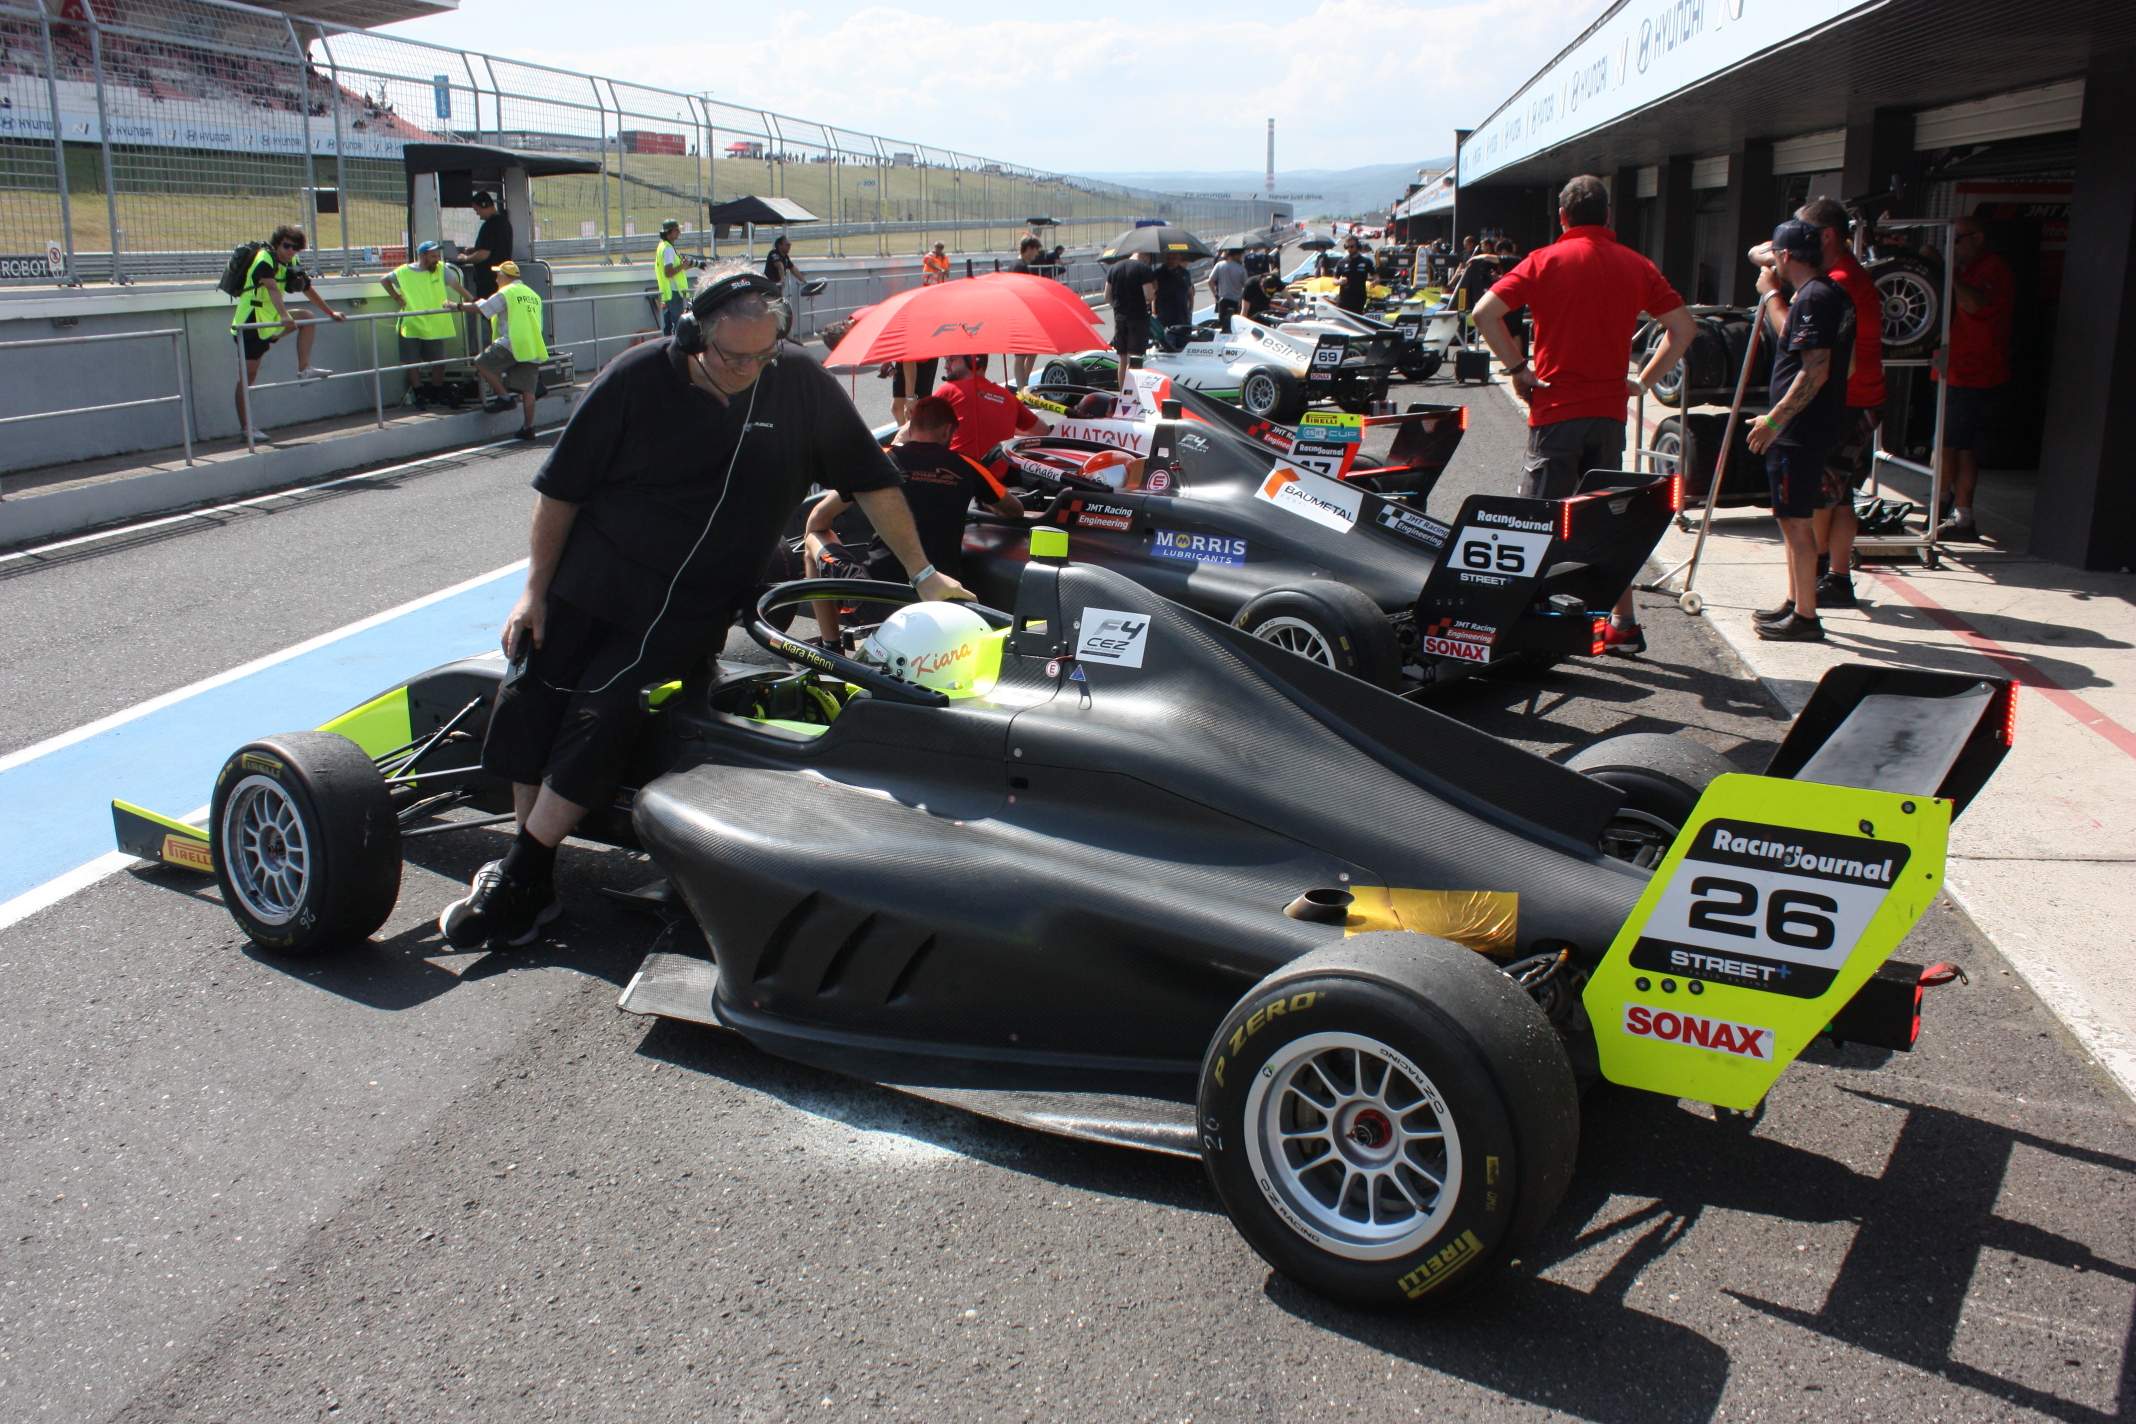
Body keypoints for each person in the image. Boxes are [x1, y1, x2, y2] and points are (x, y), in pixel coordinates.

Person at [440, 265, 968, 950]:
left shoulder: (796, 382)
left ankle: (522, 873)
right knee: (533, 700)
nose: (749, 369)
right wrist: (533, 590)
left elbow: (874, 481)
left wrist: (924, 573)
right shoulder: (634, 379)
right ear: (693, 333)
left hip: (694, 598)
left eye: (762, 355)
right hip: (591, 577)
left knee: (606, 710)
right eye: (733, 356)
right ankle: (530, 867)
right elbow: (561, 489)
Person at [1469, 174, 1696, 655]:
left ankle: (1524, 628)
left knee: (1539, 518)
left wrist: (1518, 369)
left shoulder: (1544, 261)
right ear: (1608, 215)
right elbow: (1683, 327)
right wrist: (1643, 381)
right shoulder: (1636, 264)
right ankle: (1623, 625)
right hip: (1609, 412)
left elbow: (1484, 313)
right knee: (1607, 518)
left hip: (1556, 409)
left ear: (1562, 217)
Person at [1749, 196, 1886, 609]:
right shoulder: (1840, 278)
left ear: (1825, 236)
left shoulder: (1828, 286)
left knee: (1813, 504)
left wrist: (1772, 296)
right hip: (1856, 397)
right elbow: (1757, 251)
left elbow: (1799, 344)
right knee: (1838, 497)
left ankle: (1812, 591)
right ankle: (1831, 580)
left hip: (1843, 402)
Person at [802, 395, 1023, 641]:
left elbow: (818, 518)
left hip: (874, 599)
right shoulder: (968, 466)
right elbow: (1014, 509)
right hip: (941, 600)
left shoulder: (881, 461)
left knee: (814, 536)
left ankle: (831, 644)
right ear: (947, 431)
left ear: (910, 425)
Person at [1745, 219, 1856, 643]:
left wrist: (1775, 420)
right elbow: (1758, 253)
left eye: (1777, 255)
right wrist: (1773, 277)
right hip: (1813, 425)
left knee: (1796, 522)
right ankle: (1796, 600)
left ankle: (1806, 617)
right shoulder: (1829, 291)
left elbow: (1816, 369)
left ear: (1787, 256)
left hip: (1799, 429)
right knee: (1790, 519)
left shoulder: (1813, 298)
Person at [1933, 216, 2013, 541]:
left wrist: (1949, 272)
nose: (1951, 247)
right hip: (1957, 370)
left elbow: (1974, 304)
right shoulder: (1969, 269)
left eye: (1956, 240)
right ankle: (1952, 510)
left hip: (1973, 374)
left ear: (1977, 238)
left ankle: (1955, 513)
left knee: (1955, 446)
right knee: (1953, 445)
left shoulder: (1993, 269)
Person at [231, 224, 345, 442]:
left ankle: (304, 369)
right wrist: (285, 316)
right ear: (277, 244)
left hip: (271, 320)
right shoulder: (264, 258)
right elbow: (272, 288)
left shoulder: (291, 261)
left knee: (306, 318)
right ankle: (246, 428)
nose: (291, 251)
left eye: (296, 248)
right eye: (287, 246)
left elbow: (307, 288)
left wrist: (331, 312)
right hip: (251, 323)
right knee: (247, 377)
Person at [461, 259, 545, 441]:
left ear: (505, 276)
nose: (496, 279)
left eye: (498, 275)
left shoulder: (507, 292)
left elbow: (484, 309)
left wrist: (458, 306)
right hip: (532, 345)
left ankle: (504, 398)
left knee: (481, 363)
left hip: (512, 342)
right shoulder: (533, 294)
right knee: (528, 391)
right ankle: (528, 428)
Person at [381, 240, 470, 408]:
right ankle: (419, 393)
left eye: (437, 255)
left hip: (435, 323)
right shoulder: (403, 271)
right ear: (422, 256)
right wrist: (396, 297)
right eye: (433, 256)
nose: (437, 259)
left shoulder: (441, 269)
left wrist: (473, 300)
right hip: (411, 323)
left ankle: (436, 392)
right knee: (412, 362)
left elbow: (457, 286)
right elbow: (384, 280)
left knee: (439, 361)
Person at [937, 352, 1048, 465]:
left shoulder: (949, 390)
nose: (946, 366)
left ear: (973, 360)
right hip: (997, 475)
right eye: (946, 360)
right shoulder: (1008, 397)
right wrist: (1003, 424)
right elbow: (1043, 430)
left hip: (956, 473)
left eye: (951, 360)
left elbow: (924, 432)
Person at [1105, 250, 1157, 378]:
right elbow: (1149, 296)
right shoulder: (1143, 269)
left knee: (1122, 360)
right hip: (1137, 319)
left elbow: (1107, 296)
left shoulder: (1114, 268)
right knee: (1134, 358)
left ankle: (1123, 389)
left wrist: (1118, 307)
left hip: (1119, 318)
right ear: (1146, 256)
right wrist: (1155, 289)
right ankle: (1132, 388)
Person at [1006, 235, 1045, 387]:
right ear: (1028, 249)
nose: (1037, 254)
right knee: (1021, 354)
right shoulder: (1019, 266)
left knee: (1032, 349)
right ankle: (1021, 387)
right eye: (1035, 250)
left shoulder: (1017, 265)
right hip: (1019, 313)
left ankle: (1025, 382)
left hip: (1019, 311)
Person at [461, 192, 512, 300]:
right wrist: (475, 249)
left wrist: (465, 259)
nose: (477, 214)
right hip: (502, 276)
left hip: (489, 280)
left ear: (484, 205)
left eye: (477, 210)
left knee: (488, 308)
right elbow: (496, 247)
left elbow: (483, 254)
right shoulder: (504, 222)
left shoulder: (490, 225)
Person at [654, 219, 691, 336]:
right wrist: (682, 266)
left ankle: (667, 345)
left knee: (668, 327)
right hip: (674, 292)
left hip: (667, 293)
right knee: (678, 325)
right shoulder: (668, 249)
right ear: (669, 232)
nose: (679, 232)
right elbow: (669, 272)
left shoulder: (662, 246)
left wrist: (682, 266)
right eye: (676, 230)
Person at [1151, 250, 1195, 350]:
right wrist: (1154, 313)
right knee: (1167, 348)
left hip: (1183, 317)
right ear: (1166, 257)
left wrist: (1190, 310)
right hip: (1165, 318)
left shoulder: (1185, 273)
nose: (1172, 258)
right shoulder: (1158, 273)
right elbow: (1153, 294)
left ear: (1179, 257)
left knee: (1183, 347)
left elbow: (1190, 293)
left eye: (1175, 256)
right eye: (1170, 256)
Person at [1331, 235, 1375, 313]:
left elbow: (1376, 276)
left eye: (1352, 246)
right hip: (1344, 299)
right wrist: (1339, 281)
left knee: (1356, 317)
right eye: (1347, 247)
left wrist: (1375, 281)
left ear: (1358, 246)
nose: (1349, 249)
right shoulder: (1342, 262)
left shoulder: (1366, 262)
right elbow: (1334, 280)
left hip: (1359, 298)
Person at [764, 234, 804, 316]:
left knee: (778, 305)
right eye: (787, 245)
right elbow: (780, 266)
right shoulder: (773, 253)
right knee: (772, 306)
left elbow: (793, 268)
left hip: (778, 287)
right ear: (780, 245)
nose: (789, 247)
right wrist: (782, 280)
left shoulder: (785, 257)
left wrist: (803, 280)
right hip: (770, 286)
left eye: (790, 245)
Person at [1209, 247, 1248, 331]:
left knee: (1223, 326)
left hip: (1222, 300)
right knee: (1235, 326)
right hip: (1236, 301)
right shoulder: (1241, 269)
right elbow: (1246, 286)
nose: (1241, 257)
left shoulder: (1219, 265)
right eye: (1240, 255)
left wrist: (1215, 295)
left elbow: (1210, 281)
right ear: (1236, 255)